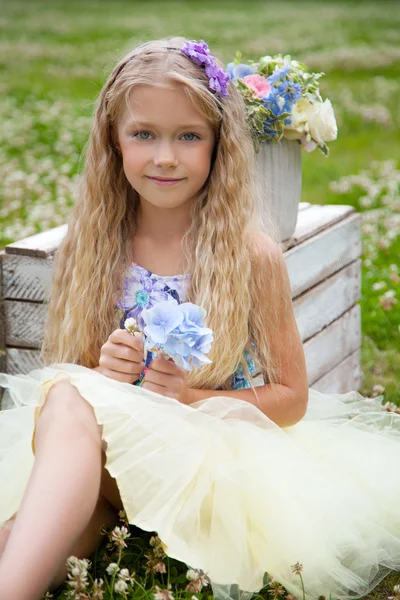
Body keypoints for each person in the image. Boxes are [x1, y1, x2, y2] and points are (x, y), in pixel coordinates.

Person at [0, 36, 399, 600]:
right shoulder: (94, 249)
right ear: (113, 142)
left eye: (188, 136)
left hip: (206, 467)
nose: (165, 156)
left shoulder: (248, 256)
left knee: (62, 427)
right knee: (35, 520)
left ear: (219, 145)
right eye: (144, 134)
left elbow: (291, 398)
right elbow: (76, 383)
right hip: (112, 470)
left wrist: (189, 401)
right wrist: (104, 371)